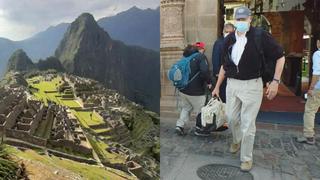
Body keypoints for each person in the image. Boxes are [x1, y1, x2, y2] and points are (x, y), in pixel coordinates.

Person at [212, 6, 285, 171]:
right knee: (230, 118)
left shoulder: (260, 36)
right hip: (232, 84)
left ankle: (246, 158)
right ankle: (237, 139)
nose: (241, 22)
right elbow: (225, 65)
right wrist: (217, 86)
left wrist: (275, 81)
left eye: (244, 19)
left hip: (252, 85)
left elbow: (280, 56)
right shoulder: (229, 39)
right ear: (234, 20)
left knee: (247, 123)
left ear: (250, 19)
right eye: (238, 19)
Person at [175, 42, 212, 136]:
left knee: (186, 108)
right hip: (196, 91)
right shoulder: (200, 57)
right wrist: (209, 82)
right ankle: (199, 129)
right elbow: (204, 71)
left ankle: (180, 125)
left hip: (183, 89)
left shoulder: (185, 58)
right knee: (200, 109)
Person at [297, 38, 320, 145]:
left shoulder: (317, 54)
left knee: (310, 111)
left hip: (318, 88)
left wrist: (311, 88)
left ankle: (309, 136)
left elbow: (317, 73)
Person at [212, 23, 235, 102]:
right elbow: (215, 58)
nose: (228, 34)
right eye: (227, 31)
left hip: (232, 74)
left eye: (230, 32)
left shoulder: (235, 41)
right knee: (223, 95)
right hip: (221, 74)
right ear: (223, 32)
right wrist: (217, 73)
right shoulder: (219, 42)